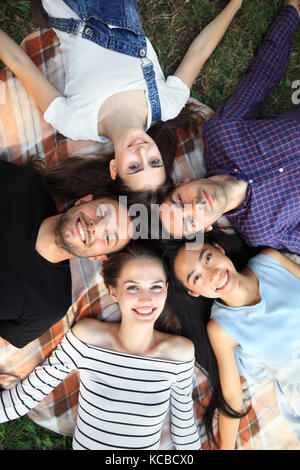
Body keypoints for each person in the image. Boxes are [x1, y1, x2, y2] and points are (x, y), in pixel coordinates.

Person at [0, 0, 243, 192]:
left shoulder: (75, 123)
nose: (142, 153)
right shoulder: (168, 105)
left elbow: (19, 64)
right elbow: (200, 52)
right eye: (154, 161)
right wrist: (236, 4)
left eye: (134, 167)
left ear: (115, 168)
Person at [0, 241, 201, 451]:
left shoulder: (180, 353)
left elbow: (184, 425)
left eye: (156, 287)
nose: (146, 299)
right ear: (114, 293)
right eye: (133, 287)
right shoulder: (88, 338)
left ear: (166, 290)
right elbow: (28, 394)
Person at [159, 0, 300, 254]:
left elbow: (263, 76)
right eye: (190, 220)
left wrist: (291, 13)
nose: (196, 206)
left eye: (181, 200)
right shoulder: (263, 231)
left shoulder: (222, 134)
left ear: (184, 183)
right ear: (205, 229)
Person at [163, 230, 300, 449]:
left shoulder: (270, 259)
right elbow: (232, 397)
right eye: (197, 278)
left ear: (219, 249)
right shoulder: (220, 329)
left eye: (207, 258)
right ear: (193, 292)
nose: (213, 274)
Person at [0, 160, 133, 349]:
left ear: (98, 257)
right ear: (83, 201)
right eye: (102, 213)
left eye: (109, 236)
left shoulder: (49, 305)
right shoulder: (23, 185)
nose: (95, 226)